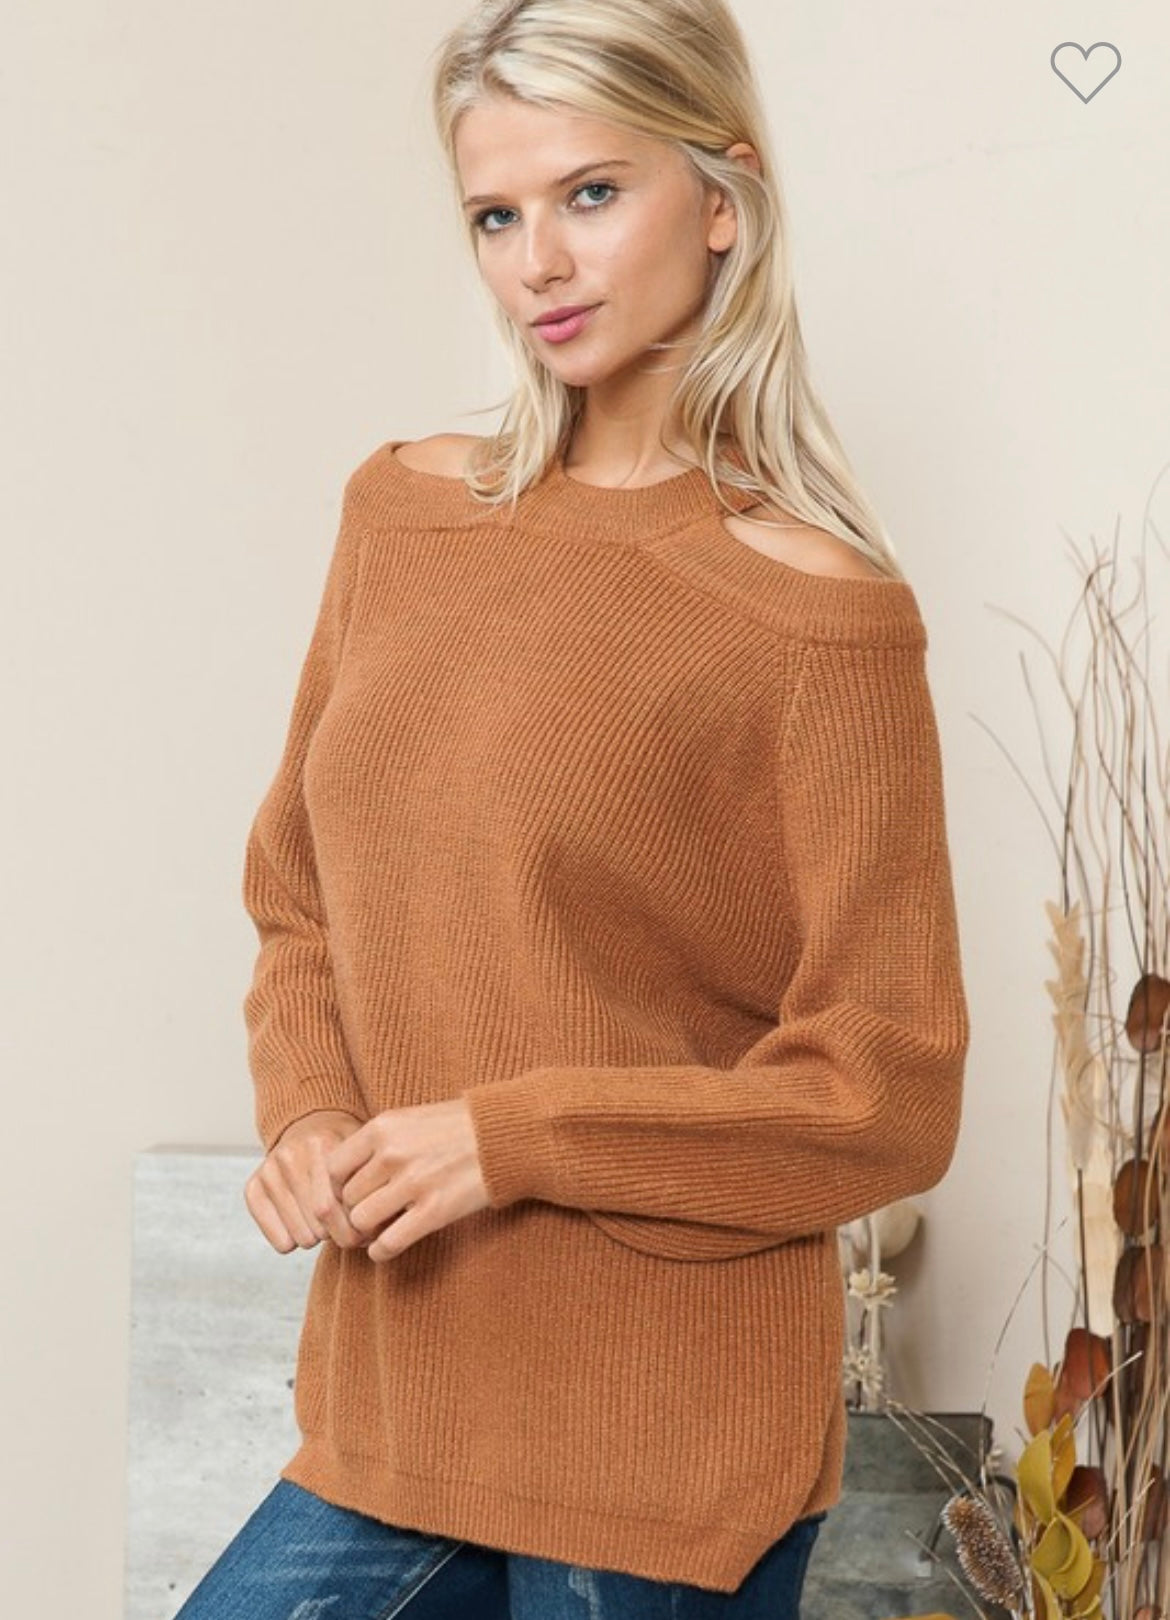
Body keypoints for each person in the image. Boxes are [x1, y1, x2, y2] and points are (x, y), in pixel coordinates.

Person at [176, 0, 971, 1614]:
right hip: (400, 1386)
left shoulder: (816, 613)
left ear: (723, 200)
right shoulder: (401, 514)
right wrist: (309, 1109)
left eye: (591, 194)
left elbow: (885, 1091)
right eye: (495, 214)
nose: (537, 260)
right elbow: (297, 891)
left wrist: (512, 1138)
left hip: (664, 1433)